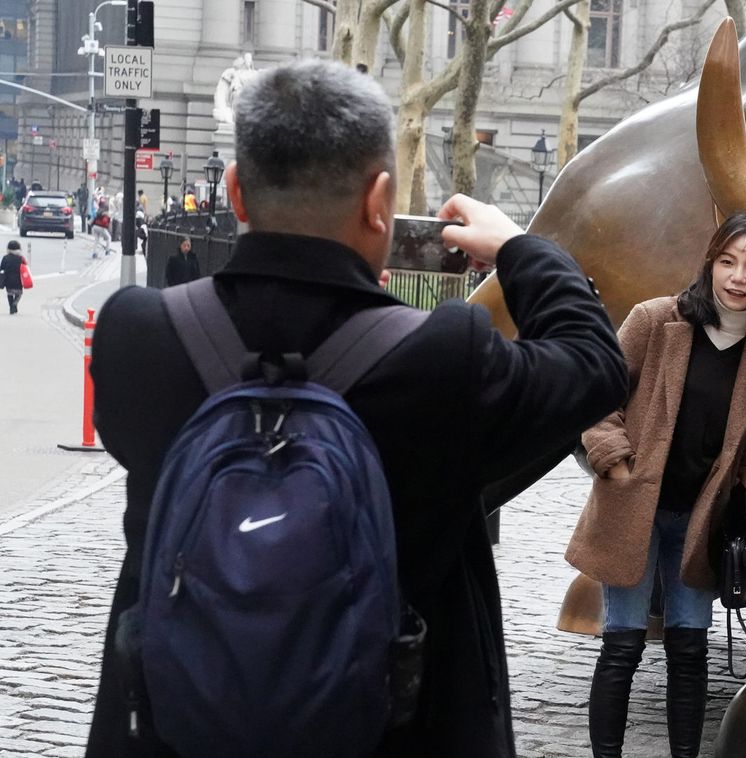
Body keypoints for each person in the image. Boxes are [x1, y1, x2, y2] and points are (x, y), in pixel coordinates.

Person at [85, 59, 628, 757]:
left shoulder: (137, 337)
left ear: (235, 193)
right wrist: (523, 250)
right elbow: (595, 364)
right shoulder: (444, 362)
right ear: (378, 201)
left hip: (173, 731)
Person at [567, 211, 746, 758]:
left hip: (700, 521)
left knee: (689, 651)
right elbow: (599, 396)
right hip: (633, 511)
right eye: (727, 262)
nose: (737, 277)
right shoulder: (655, 319)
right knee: (621, 646)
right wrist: (618, 465)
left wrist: (743, 490)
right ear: (710, 264)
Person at [0, 240, 26, 314]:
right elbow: (25, 267)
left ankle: (11, 306)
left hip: (8, 280)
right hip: (18, 280)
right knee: (19, 294)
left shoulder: (5, 258)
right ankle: (14, 304)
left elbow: (1, 268)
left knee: (10, 293)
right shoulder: (21, 258)